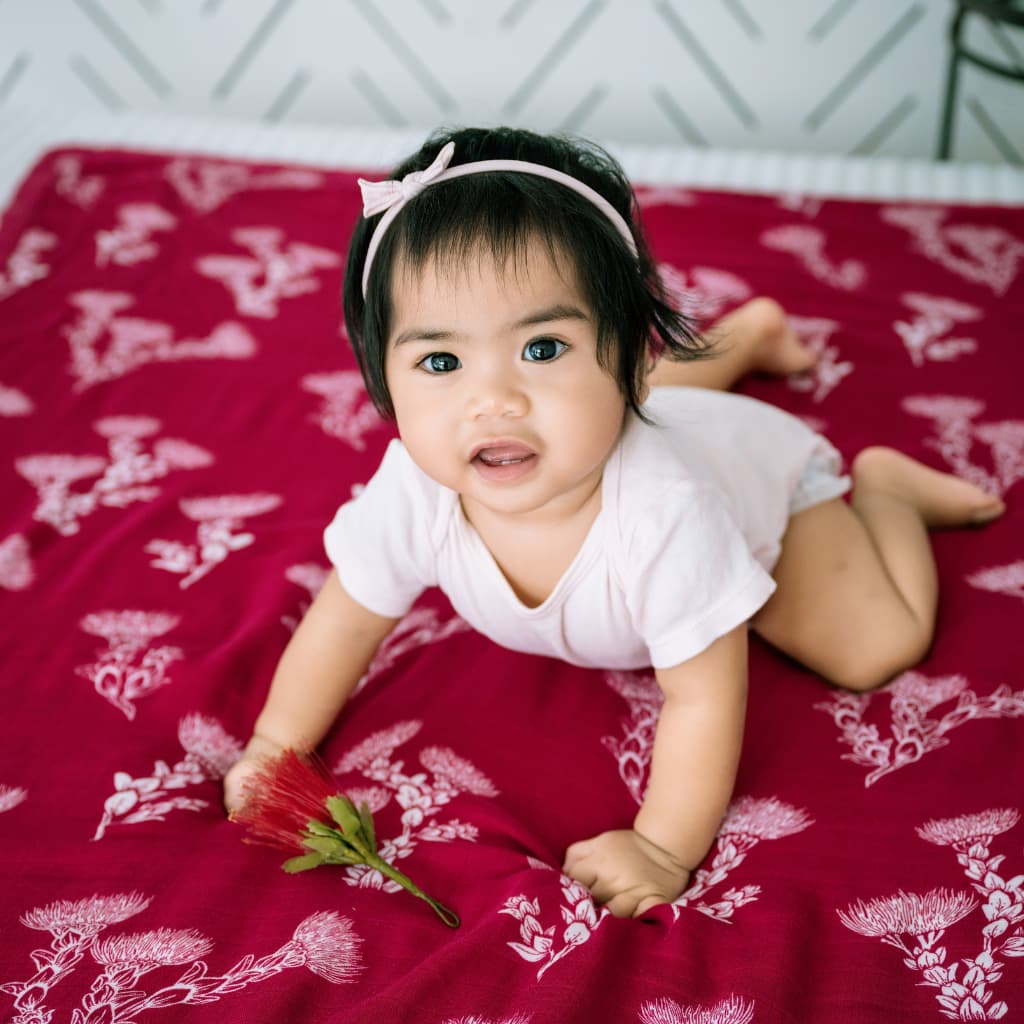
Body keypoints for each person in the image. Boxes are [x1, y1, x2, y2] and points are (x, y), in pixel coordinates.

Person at [223, 126, 1005, 919]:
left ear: (631, 351)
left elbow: (703, 697)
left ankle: (886, 495)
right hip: (647, 410)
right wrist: (272, 746)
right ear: (382, 382)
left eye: (542, 346)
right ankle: (747, 334)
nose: (493, 401)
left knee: (877, 648)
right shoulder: (418, 486)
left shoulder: (667, 517)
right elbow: (345, 622)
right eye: (440, 363)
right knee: (629, 405)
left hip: (760, 483)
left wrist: (662, 847)